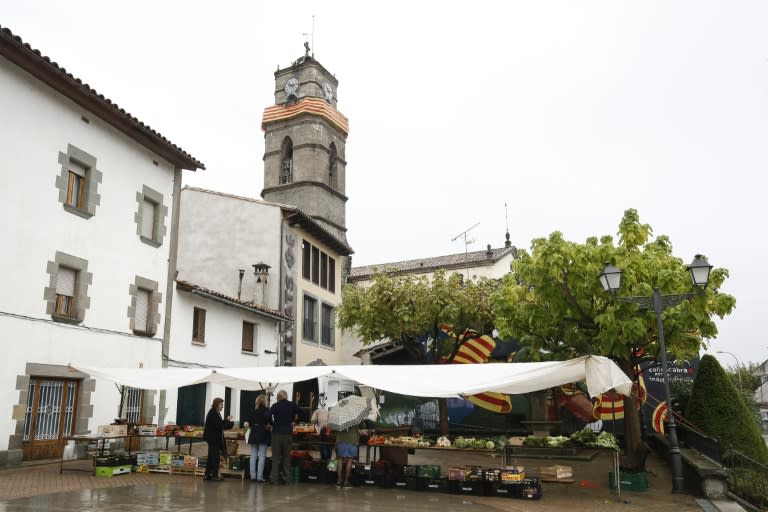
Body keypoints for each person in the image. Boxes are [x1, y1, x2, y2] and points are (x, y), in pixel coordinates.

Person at [266, 389, 300, 485]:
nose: (276, 398)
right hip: (288, 435)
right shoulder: (292, 405)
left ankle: (274, 480)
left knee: (275, 458)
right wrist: (295, 421)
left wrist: (271, 423)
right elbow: (301, 411)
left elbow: (267, 415)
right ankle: (286, 479)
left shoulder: (275, 406)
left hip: (276, 434)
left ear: (280, 397)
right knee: (286, 458)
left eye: (277, 397)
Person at [203, 397, 234, 481]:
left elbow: (220, 425)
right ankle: (214, 475)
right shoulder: (213, 413)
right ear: (217, 404)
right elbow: (218, 425)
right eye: (221, 404)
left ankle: (207, 474)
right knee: (215, 457)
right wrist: (226, 420)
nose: (222, 406)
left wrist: (229, 423)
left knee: (211, 456)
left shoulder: (216, 413)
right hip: (213, 438)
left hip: (214, 438)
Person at [243, 394, 270, 482]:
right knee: (262, 456)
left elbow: (249, 424)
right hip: (263, 434)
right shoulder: (267, 411)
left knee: (253, 455)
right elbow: (270, 423)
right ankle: (259, 477)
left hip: (253, 434)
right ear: (264, 401)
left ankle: (252, 476)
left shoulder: (253, 412)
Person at [334, 421, 361, 488]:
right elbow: (361, 427)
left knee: (340, 459)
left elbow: (335, 431)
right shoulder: (356, 418)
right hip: (352, 441)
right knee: (350, 460)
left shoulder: (339, 418)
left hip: (341, 440)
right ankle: (346, 482)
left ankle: (339, 481)